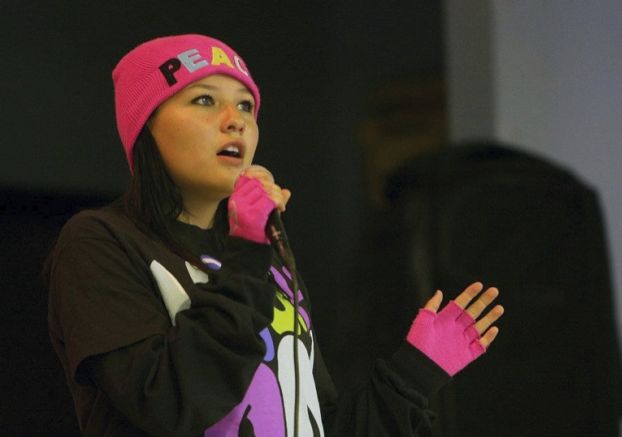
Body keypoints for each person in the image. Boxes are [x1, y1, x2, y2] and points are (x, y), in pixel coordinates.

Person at [46, 34, 504, 437]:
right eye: (204, 100)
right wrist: (247, 250)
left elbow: (315, 424)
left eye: (246, 105)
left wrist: (415, 372)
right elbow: (167, 403)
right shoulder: (100, 242)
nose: (235, 120)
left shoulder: (267, 258)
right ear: (145, 125)